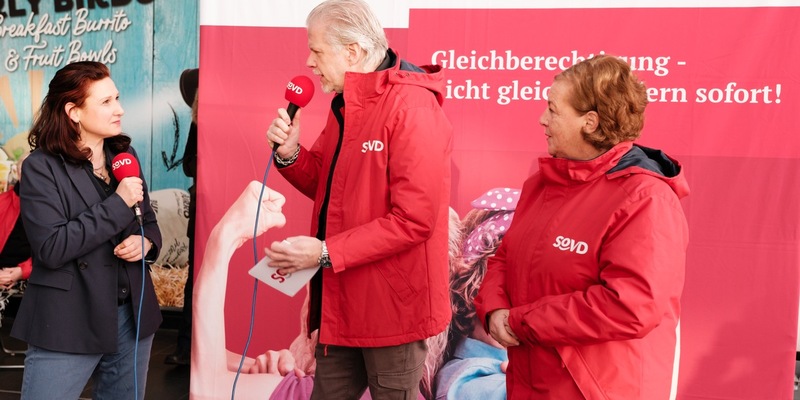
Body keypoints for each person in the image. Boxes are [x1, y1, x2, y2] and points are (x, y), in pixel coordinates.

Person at [264, 0, 453, 398]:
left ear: (352, 52)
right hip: (342, 304)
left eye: (316, 51)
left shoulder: (412, 108)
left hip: (393, 312)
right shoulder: (348, 102)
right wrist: (290, 154)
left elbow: (415, 220)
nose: (309, 62)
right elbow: (329, 186)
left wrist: (324, 252)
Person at [474, 54, 690, 399]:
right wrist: (494, 309)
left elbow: (630, 306)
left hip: (598, 388)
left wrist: (519, 322)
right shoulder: (541, 185)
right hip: (532, 378)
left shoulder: (645, 198)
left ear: (590, 122)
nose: (542, 119)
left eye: (553, 109)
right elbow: (505, 256)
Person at [11, 61, 162, 400]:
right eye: (106, 102)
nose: (120, 109)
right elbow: (51, 247)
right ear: (73, 111)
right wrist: (117, 204)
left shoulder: (124, 155)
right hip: (68, 320)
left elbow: (147, 220)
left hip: (131, 317)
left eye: (117, 98)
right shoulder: (41, 167)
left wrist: (146, 242)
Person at [165, 67, 199, 366]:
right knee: (195, 280)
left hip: (230, 207)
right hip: (203, 205)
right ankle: (185, 349)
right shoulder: (198, 123)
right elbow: (188, 165)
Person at [0, 154, 31, 322]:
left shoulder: (56, 210)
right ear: (18, 173)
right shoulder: (2, 203)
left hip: (33, 281)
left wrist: (22, 272)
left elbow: (58, 252)